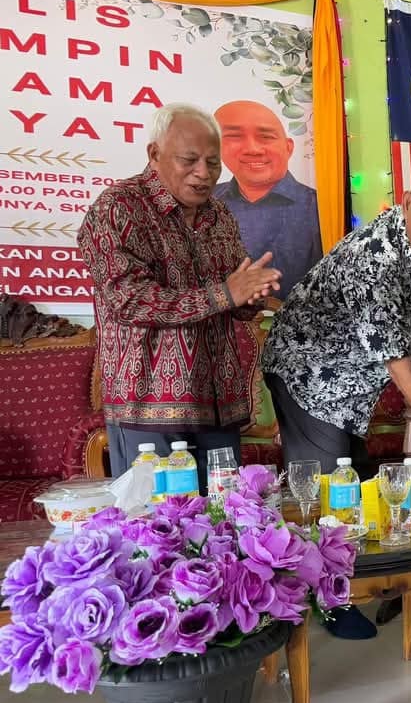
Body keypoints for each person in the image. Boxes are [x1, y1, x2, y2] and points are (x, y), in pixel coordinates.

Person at [261, 165, 411, 639]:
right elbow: (398, 364)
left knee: (356, 484)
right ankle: (329, 600)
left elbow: (404, 309)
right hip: (308, 372)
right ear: (408, 202)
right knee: (328, 489)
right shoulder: (375, 259)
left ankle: (360, 581)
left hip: (348, 377)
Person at [78, 103, 281, 487]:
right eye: (189, 160)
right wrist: (225, 294)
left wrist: (250, 294)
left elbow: (233, 297)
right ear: (155, 154)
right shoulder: (117, 208)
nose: (203, 173)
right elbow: (129, 299)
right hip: (148, 410)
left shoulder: (219, 215)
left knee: (226, 516)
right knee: (154, 520)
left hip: (219, 407)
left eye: (213, 163)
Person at [213, 100, 322, 299]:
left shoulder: (321, 209)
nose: (253, 149)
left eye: (265, 137)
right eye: (234, 137)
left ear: (288, 147)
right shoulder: (199, 205)